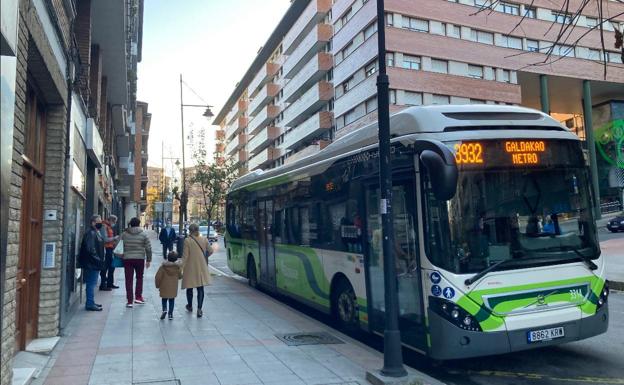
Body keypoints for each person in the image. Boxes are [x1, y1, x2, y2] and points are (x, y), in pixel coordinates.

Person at [121, 217, 152, 307]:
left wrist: (123, 254)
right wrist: (148, 260)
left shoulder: (124, 234)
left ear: (130, 224)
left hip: (127, 259)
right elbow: (148, 248)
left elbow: (117, 245)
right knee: (139, 278)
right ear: (139, 224)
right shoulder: (143, 235)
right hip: (139, 259)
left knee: (128, 280)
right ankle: (138, 297)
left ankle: (129, 301)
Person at [182, 223, 211, 318]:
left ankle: (190, 306)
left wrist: (180, 266)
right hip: (201, 267)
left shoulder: (187, 241)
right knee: (200, 288)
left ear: (190, 231)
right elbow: (210, 251)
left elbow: (185, 256)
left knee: (189, 287)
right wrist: (204, 257)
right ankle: (199, 309)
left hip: (190, 267)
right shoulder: (204, 239)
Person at [78, 215, 105, 311]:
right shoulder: (91, 233)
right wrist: (98, 260)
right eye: (99, 221)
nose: (100, 223)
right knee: (91, 283)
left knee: (92, 283)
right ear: (93, 222)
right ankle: (89, 303)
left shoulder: (95, 232)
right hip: (92, 263)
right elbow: (90, 249)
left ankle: (91, 302)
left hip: (93, 263)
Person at [155, 250, 182, 320]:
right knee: (171, 300)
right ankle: (170, 314)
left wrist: (157, 285)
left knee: (164, 299)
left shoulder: (163, 267)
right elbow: (180, 276)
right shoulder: (177, 267)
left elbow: (158, 277)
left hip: (164, 286)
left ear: (168, 258)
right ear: (176, 259)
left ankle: (164, 309)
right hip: (173, 287)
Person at [99, 215, 120, 291]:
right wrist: (114, 238)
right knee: (105, 267)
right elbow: (104, 239)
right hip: (106, 249)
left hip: (110, 248)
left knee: (112, 266)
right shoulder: (104, 226)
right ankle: (103, 285)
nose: (114, 223)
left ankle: (110, 283)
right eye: (114, 222)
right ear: (111, 220)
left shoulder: (109, 227)